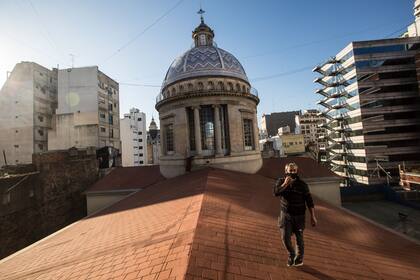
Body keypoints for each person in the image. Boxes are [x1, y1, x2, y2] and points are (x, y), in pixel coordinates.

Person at [273, 162, 317, 267]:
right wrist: (285, 184)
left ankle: (299, 258)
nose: (292, 172)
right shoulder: (281, 181)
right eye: (290, 170)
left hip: (299, 216)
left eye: (294, 170)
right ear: (286, 171)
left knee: (299, 238)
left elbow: (309, 201)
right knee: (285, 238)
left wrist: (313, 216)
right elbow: (275, 193)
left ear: (297, 171)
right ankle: (291, 254)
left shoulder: (302, 184)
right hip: (286, 215)